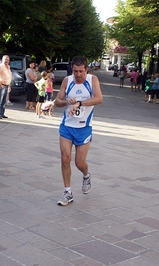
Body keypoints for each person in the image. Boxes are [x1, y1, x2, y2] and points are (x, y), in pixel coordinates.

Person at [54, 56, 103, 206]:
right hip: (67, 127)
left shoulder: (92, 80)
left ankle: (86, 175)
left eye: (81, 71)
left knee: (79, 162)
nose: (78, 75)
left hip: (84, 128)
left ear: (86, 70)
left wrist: (80, 103)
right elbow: (57, 101)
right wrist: (66, 102)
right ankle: (67, 192)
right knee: (65, 158)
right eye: (75, 71)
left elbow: (99, 99)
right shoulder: (67, 81)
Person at [0, 55, 12, 119]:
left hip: (6, 85)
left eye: (8, 59)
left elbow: (9, 76)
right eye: (5, 59)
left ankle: (1, 113)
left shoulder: (8, 67)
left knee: (3, 101)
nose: (6, 61)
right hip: (1, 85)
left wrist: (9, 85)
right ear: (2, 60)